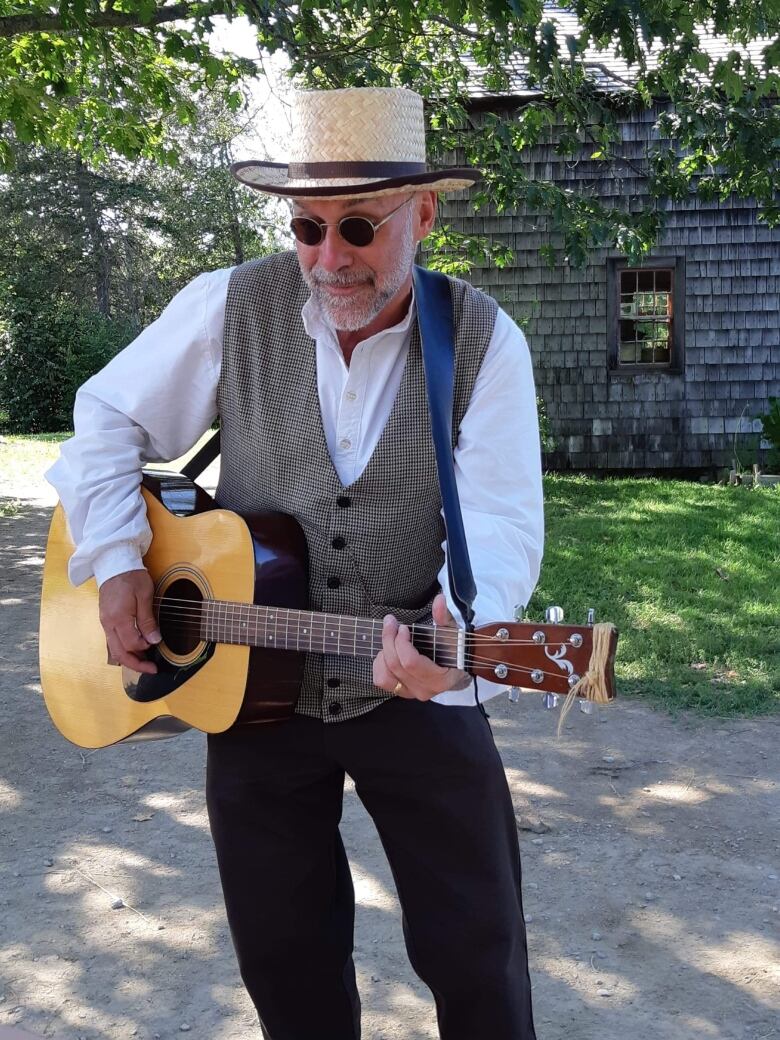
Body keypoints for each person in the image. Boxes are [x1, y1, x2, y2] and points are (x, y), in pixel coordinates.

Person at [47, 86, 544, 1040]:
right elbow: (105, 417)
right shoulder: (230, 305)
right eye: (307, 227)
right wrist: (116, 563)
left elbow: (502, 523)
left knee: (479, 955)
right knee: (285, 961)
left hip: (413, 682)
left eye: (358, 225)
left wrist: (454, 637)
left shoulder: (484, 341)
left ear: (424, 213)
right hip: (249, 690)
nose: (328, 257)